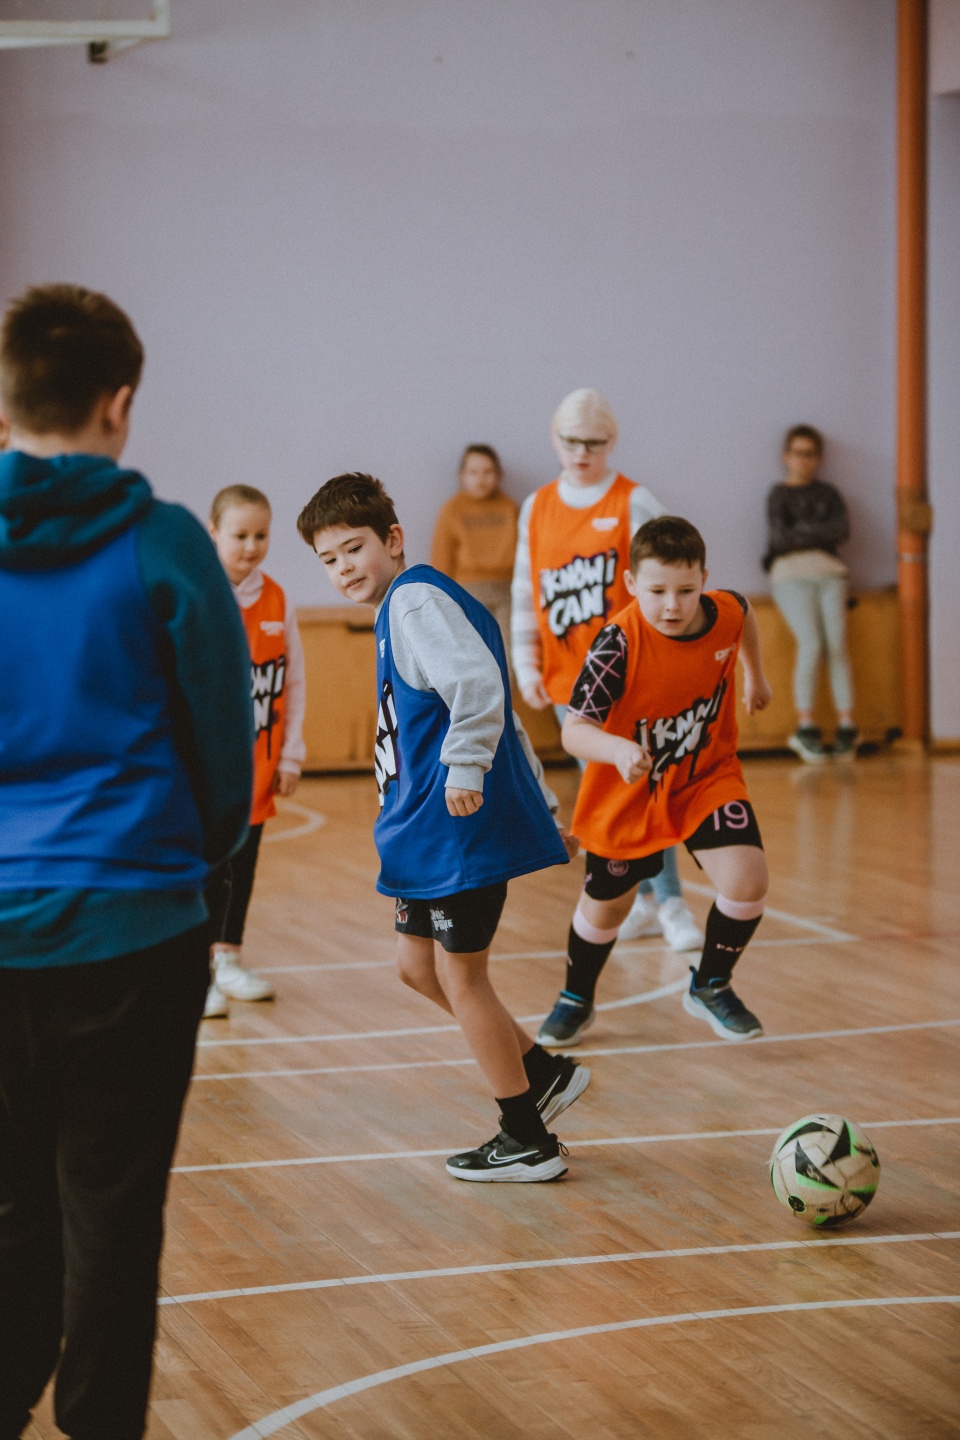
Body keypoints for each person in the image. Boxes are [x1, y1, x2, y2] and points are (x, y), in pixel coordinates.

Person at [0, 284, 252, 1439]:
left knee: (11, 1218)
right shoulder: (165, 541)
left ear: (8, 405)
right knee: (113, 1218)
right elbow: (224, 751)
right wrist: (189, 869)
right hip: (136, 933)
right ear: (120, 404)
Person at [297, 472, 587, 1182]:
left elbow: (481, 691)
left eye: (354, 548)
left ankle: (527, 1137)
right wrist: (543, 802)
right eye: (329, 559)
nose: (343, 568)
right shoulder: (398, 608)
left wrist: (465, 771)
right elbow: (505, 718)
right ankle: (541, 1073)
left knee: (462, 978)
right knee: (416, 968)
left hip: (455, 829)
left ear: (393, 539)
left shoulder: (417, 600)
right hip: (421, 834)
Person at [538, 516, 772, 1048]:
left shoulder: (724, 613)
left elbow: (745, 612)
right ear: (631, 584)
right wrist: (618, 749)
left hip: (703, 775)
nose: (672, 605)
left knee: (747, 881)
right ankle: (575, 998)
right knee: (607, 909)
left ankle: (710, 985)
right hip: (629, 791)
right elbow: (575, 731)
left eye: (686, 591)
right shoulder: (617, 645)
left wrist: (755, 676)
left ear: (704, 580)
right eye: (657, 591)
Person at [511, 387, 703, 971]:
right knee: (607, 793)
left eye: (594, 443)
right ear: (555, 439)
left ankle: (671, 903)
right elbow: (525, 586)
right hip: (569, 680)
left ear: (612, 441)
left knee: (644, 785)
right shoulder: (537, 506)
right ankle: (642, 900)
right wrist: (525, 662)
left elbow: (669, 581)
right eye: (572, 441)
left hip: (630, 675)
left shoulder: (633, 500)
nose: (582, 453)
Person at [202, 484, 307, 1018]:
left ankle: (228, 958)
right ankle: (196, 971)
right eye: (239, 535)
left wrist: (291, 754)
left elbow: (294, 680)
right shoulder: (197, 593)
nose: (251, 546)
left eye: (260, 535)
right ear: (214, 532)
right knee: (205, 868)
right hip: (203, 767)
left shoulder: (277, 600)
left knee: (241, 867)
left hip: (257, 764)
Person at [763, 424, 857, 762]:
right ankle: (806, 725)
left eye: (811, 454)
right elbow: (779, 538)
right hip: (790, 576)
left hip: (830, 574)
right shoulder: (778, 495)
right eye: (798, 453)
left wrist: (800, 532)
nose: (804, 460)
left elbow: (841, 530)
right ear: (786, 456)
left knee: (837, 644)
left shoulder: (829, 494)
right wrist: (817, 533)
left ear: (819, 458)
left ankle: (847, 724)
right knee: (811, 643)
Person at [429, 444, 518, 655]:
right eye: (473, 472)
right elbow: (442, 559)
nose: (481, 479)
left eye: (487, 472)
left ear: (498, 475)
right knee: (474, 653)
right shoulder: (452, 509)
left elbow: (524, 554)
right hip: (467, 591)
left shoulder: (509, 507)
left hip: (507, 591)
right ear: (462, 476)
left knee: (508, 653)